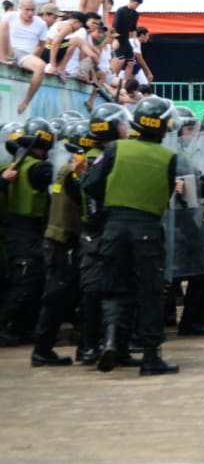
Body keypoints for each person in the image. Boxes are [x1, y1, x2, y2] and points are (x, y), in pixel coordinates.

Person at [81, 96, 179, 375]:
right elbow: (166, 193)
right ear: (164, 127)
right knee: (150, 292)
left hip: (113, 228)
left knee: (114, 288)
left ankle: (113, 343)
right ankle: (150, 357)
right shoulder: (168, 158)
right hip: (147, 229)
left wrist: (112, 202)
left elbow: (89, 184)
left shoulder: (114, 149)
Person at [30, 122, 92, 366]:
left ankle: (47, 347)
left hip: (59, 239)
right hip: (62, 241)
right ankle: (42, 349)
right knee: (56, 296)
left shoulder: (63, 171)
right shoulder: (70, 174)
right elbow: (80, 200)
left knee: (63, 294)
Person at [75, 103, 130, 365]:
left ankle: (93, 344)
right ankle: (90, 345)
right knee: (100, 291)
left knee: (97, 291)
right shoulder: (105, 158)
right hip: (100, 231)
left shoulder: (91, 155)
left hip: (94, 232)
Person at [0, 118, 54, 346]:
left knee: (31, 279)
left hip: (14, 229)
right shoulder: (37, 168)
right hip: (25, 230)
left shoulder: (8, 168)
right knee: (27, 280)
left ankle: (23, 327)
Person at [0, 0, 49, 114]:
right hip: (8, 48)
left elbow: (41, 45)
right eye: (27, 10)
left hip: (25, 54)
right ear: (20, 9)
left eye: (33, 10)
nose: (30, 13)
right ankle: (3, 59)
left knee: (40, 66)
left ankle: (26, 101)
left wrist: (32, 61)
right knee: (3, 26)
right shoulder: (10, 16)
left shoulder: (41, 24)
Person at [110, 0, 143, 80]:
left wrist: (135, 39)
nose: (137, 6)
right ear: (132, 1)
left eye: (138, 5)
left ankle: (126, 83)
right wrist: (115, 39)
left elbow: (133, 28)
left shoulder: (135, 14)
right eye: (136, 4)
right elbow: (114, 27)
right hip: (118, 38)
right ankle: (114, 79)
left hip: (126, 40)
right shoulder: (120, 11)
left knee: (131, 62)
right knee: (121, 60)